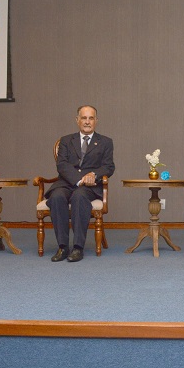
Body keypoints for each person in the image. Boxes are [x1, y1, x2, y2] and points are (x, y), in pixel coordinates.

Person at [46, 105, 115, 262]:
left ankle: (78, 248)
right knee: (56, 197)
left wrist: (94, 175)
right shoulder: (66, 141)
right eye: (84, 118)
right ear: (77, 120)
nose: (87, 122)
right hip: (66, 183)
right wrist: (80, 179)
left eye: (91, 118)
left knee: (79, 197)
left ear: (96, 121)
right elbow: (62, 165)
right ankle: (63, 247)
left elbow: (108, 167)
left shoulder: (105, 142)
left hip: (90, 187)